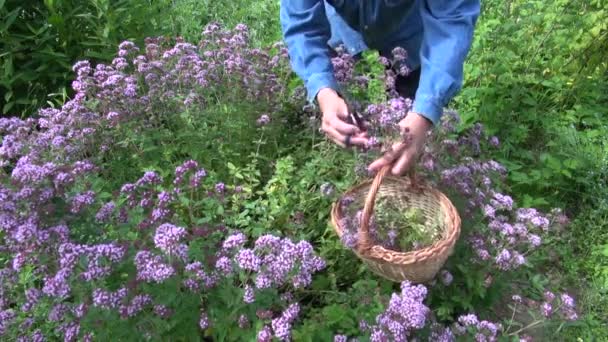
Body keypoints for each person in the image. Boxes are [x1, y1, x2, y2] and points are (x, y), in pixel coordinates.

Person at [280, 0, 480, 176]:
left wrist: (424, 113)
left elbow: (451, 19)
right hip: (343, 21)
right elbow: (302, 26)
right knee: (344, 113)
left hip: (408, 24)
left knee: (410, 111)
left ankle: (406, 173)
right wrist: (324, 90)